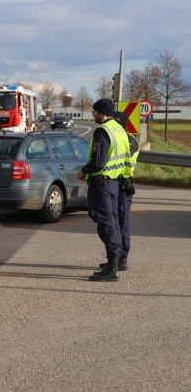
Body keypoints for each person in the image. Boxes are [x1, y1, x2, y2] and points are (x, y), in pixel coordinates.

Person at [76, 98, 131, 281]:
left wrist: (84, 171)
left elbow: (98, 162)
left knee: (106, 224)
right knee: (113, 222)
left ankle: (112, 268)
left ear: (101, 112)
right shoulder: (120, 130)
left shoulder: (103, 131)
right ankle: (114, 262)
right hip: (115, 183)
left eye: (94, 111)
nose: (92, 114)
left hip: (102, 184)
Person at [98, 111, 139, 272]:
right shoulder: (118, 136)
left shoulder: (130, 140)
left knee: (122, 221)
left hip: (124, 185)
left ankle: (122, 258)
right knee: (112, 221)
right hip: (113, 183)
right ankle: (114, 257)